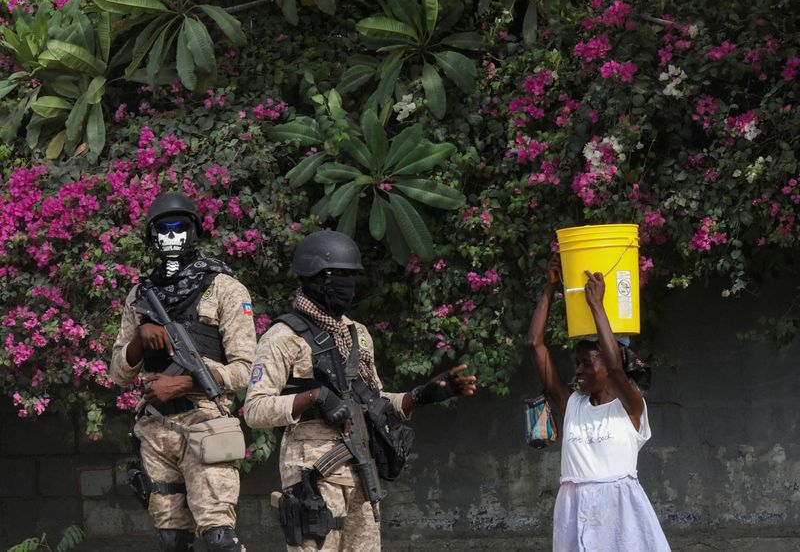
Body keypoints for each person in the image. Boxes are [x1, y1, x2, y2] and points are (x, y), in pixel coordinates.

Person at [243, 230, 477, 551]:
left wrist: (422, 395)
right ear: (318, 278)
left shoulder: (358, 334)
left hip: (360, 467)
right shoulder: (284, 336)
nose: (349, 285)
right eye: (342, 276)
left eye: (351, 276)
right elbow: (255, 410)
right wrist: (314, 397)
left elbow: (371, 401)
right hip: (312, 475)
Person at [110, 192, 256, 552]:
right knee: (172, 541)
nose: (171, 236)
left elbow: (248, 370)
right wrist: (140, 341)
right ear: (153, 236)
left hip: (206, 422)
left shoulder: (224, 287)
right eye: (163, 229)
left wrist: (186, 383)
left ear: (193, 231)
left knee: (220, 538)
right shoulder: (140, 295)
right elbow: (118, 373)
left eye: (180, 228)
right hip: (157, 430)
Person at [528, 255, 670, 552]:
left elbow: (617, 369)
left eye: (586, 364)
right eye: (576, 363)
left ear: (606, 363)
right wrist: (550, 289)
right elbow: (535, 345)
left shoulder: (631, 408)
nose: (578, 371)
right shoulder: (573, 405)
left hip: (621, 518)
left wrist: (596, 306)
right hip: (573, 511)